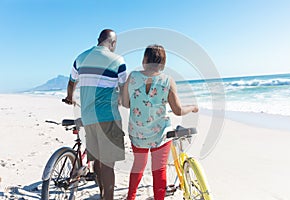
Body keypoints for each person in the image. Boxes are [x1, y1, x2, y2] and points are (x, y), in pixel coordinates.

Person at [122, 44, 198, 200]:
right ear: (163, 64)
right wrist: (192, 107)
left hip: (138, 132)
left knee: (138, 166)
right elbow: (177, 110)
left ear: (144, 59)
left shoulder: (133, 77)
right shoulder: (167, 80)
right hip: (159, 133)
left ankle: (131, 197)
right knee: (159, 170)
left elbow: (125, 103)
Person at [64, 29, 127, 200]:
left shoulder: (81, 57)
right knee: (108, 165)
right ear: (113, 43)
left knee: (97, 161)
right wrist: (123, 101)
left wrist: (70, 98)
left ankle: (102, 194)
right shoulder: (118, 60)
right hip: (108, 117)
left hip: (88, 118)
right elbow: (123, 90)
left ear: (98, 40)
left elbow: (71, 82)